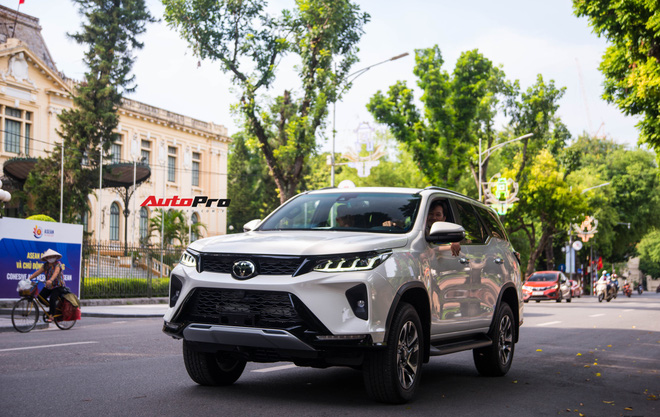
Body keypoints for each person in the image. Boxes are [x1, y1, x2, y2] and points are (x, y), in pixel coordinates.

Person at [28, 249, 66, 322]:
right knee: (40, 297)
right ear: (46, 258)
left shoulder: (58, 264)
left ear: (55, 257)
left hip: (58, 285)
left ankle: (52, 315)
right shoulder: (45, 265)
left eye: (52, 256)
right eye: (49, 257)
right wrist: (29, 279)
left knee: (52, 298)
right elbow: (38, 272)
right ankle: (53, 308)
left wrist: (51, 280)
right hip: (49, 286)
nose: (50, 258)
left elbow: (56, 272)